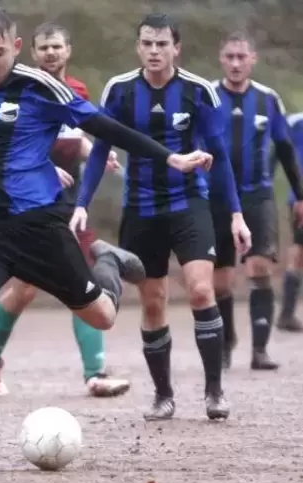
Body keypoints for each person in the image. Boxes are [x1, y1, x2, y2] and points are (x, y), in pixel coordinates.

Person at [0, 6, 213, 460]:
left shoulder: (41, 87)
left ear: (15, 47)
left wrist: (167, 157)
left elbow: (106, 128)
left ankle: (107, 261)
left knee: (103, 317)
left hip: (39, 227)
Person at [74, 13, 252, 422]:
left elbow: (220, 158)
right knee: (153, 302)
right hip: (142, 209)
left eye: (162, 44)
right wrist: (83, 201)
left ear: (177, 48)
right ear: (138, 47)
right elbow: (102, 148)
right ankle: (163, 396)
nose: (154, 51)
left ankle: (214, 392)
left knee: (201, 291)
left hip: (189, 203)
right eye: (147, 44)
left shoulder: (198, 91)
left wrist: (237, 215)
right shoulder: (119, 90)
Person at [0, 22, 130, 399]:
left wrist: (96, 150)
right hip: (23, 203)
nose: (50, 53)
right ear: (31, 52)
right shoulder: (17, 91)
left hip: (67, 205)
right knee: (24, 290)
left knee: (84, 279)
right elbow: (7, 148)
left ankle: (94, 373)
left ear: (68, 51)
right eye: (43, 47)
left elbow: (73, 137)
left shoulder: (76, 91)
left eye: (56, 47)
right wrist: (44, 169)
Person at [209, 32, 303, 370]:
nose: (235, 63)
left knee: (259, 266)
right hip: (216, 197)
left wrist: (300, 195)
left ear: (253, 59)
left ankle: (260, 350)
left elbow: (286, 150)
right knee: (220, 279)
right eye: (229, 56)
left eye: (241, 56)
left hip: (257, 194)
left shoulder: (267, 99)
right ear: (221, 58)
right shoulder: (207, 96)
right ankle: (226, 340)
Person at [277, 112, 303, 333]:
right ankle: (286, 314)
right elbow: (278, 150)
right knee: (297, 252)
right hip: (301, 199)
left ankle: (286, 314)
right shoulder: (295, 123)